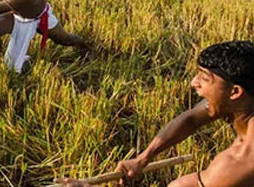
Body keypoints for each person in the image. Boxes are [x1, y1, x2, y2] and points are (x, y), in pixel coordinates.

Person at [59, 41, 254, 187]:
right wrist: (142, 159)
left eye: (204, 78)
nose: (193, 83)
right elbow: (190, 119)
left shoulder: (237, 165)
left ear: (235, 92)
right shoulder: (242, 103)